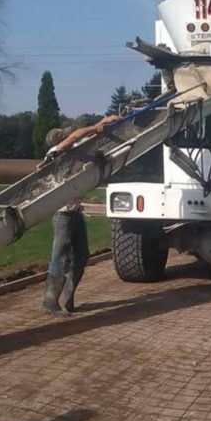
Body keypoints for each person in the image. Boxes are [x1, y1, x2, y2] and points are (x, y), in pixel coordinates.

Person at [41, 115, 121, 316]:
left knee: (82, 255)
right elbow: (76, 135)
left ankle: (68, 296)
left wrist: (106, 121)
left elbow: (82, 140)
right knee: (59, 257)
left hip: (74, 212)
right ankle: (50, 300)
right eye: (65, 137)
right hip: (62, 215)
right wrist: (96, 126)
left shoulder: (70, 155)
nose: (71, 138)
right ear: (58, 141)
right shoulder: (55, 153)